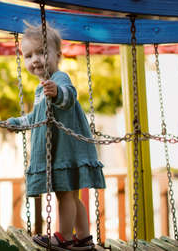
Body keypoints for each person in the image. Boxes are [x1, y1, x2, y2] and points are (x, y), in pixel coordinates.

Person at [7, 23, 105, 251]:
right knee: (73, 196)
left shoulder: (60, 78)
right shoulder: (40, 89)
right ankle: (83, 237)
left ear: (57, 55)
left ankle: (64, 237)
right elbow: (37, 117)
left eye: (41, 52)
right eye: (28, 55)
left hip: (66, 151)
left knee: (64, 195)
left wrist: (57, 92)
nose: (35, 60)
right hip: (65, 152)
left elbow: (69, 97)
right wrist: (17, 123)